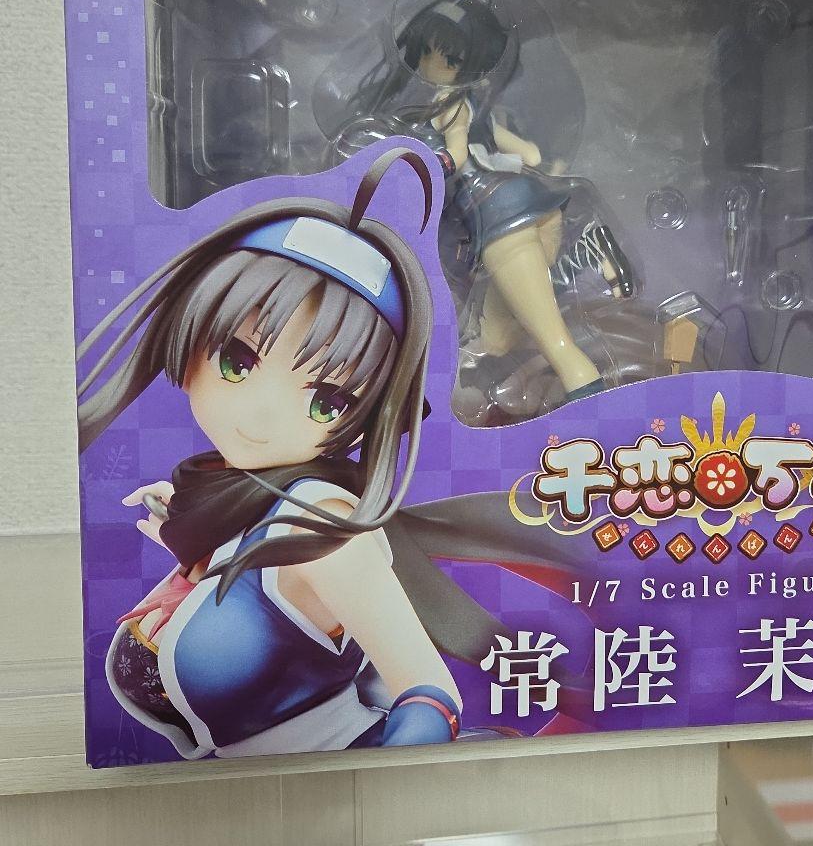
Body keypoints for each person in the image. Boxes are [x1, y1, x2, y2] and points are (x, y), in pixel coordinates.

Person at [78, 147, 585, 758]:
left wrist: (385, 787)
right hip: (236, 793)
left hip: (333, 780)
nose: (261, 418)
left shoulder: (319, 527)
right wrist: (190, 535)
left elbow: (429, 693)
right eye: (237, 362)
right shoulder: (242, 500)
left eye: (328, 401)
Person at [333, 0, 634, 403]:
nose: (431, 63)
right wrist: (537, 160)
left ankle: (582, 385)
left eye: (447, 58)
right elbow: (526, 151)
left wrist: (431, 164)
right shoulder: (473, 108)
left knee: (550, 332)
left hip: (492, 210)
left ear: (467, 64)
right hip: (520, 205)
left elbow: (456, 154)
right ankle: (585, 251)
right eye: (427, 52)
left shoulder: (450, 105)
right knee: (493, 340)